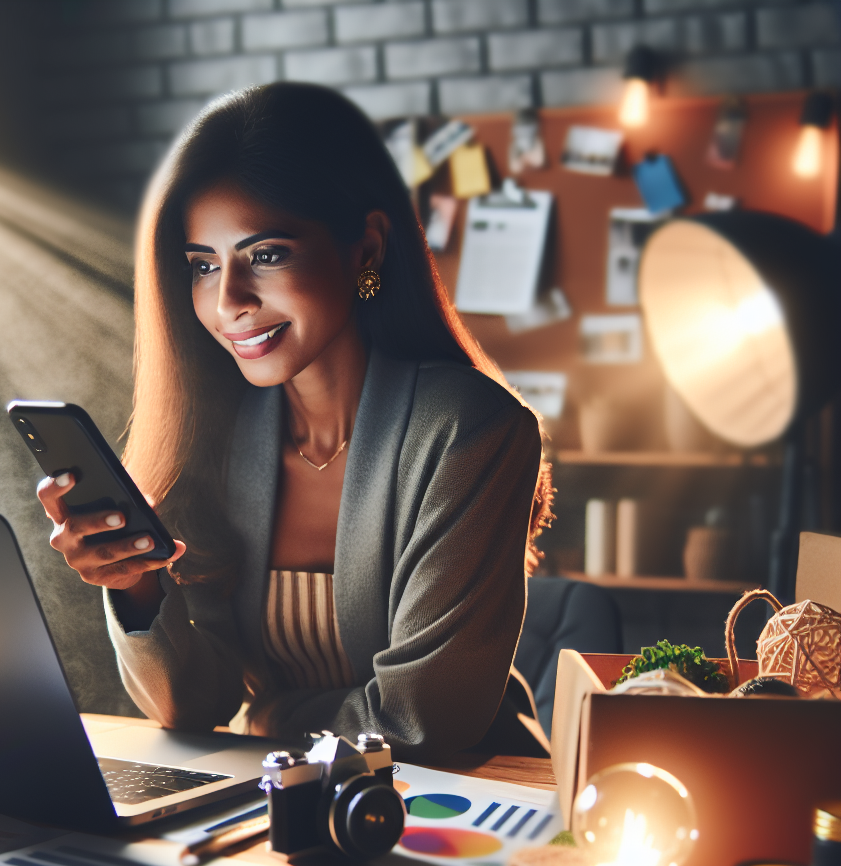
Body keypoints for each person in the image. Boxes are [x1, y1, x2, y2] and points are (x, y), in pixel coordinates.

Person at [37, 83, 553, 761]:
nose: (229, 303)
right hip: (289, 799)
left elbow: (422, 724)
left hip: (463, 800)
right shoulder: (217, 440)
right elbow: (193, 706)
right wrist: (136, 591)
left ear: (365, 250)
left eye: (267, 254)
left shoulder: (469, 430)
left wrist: (273, 718)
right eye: (202, 265)